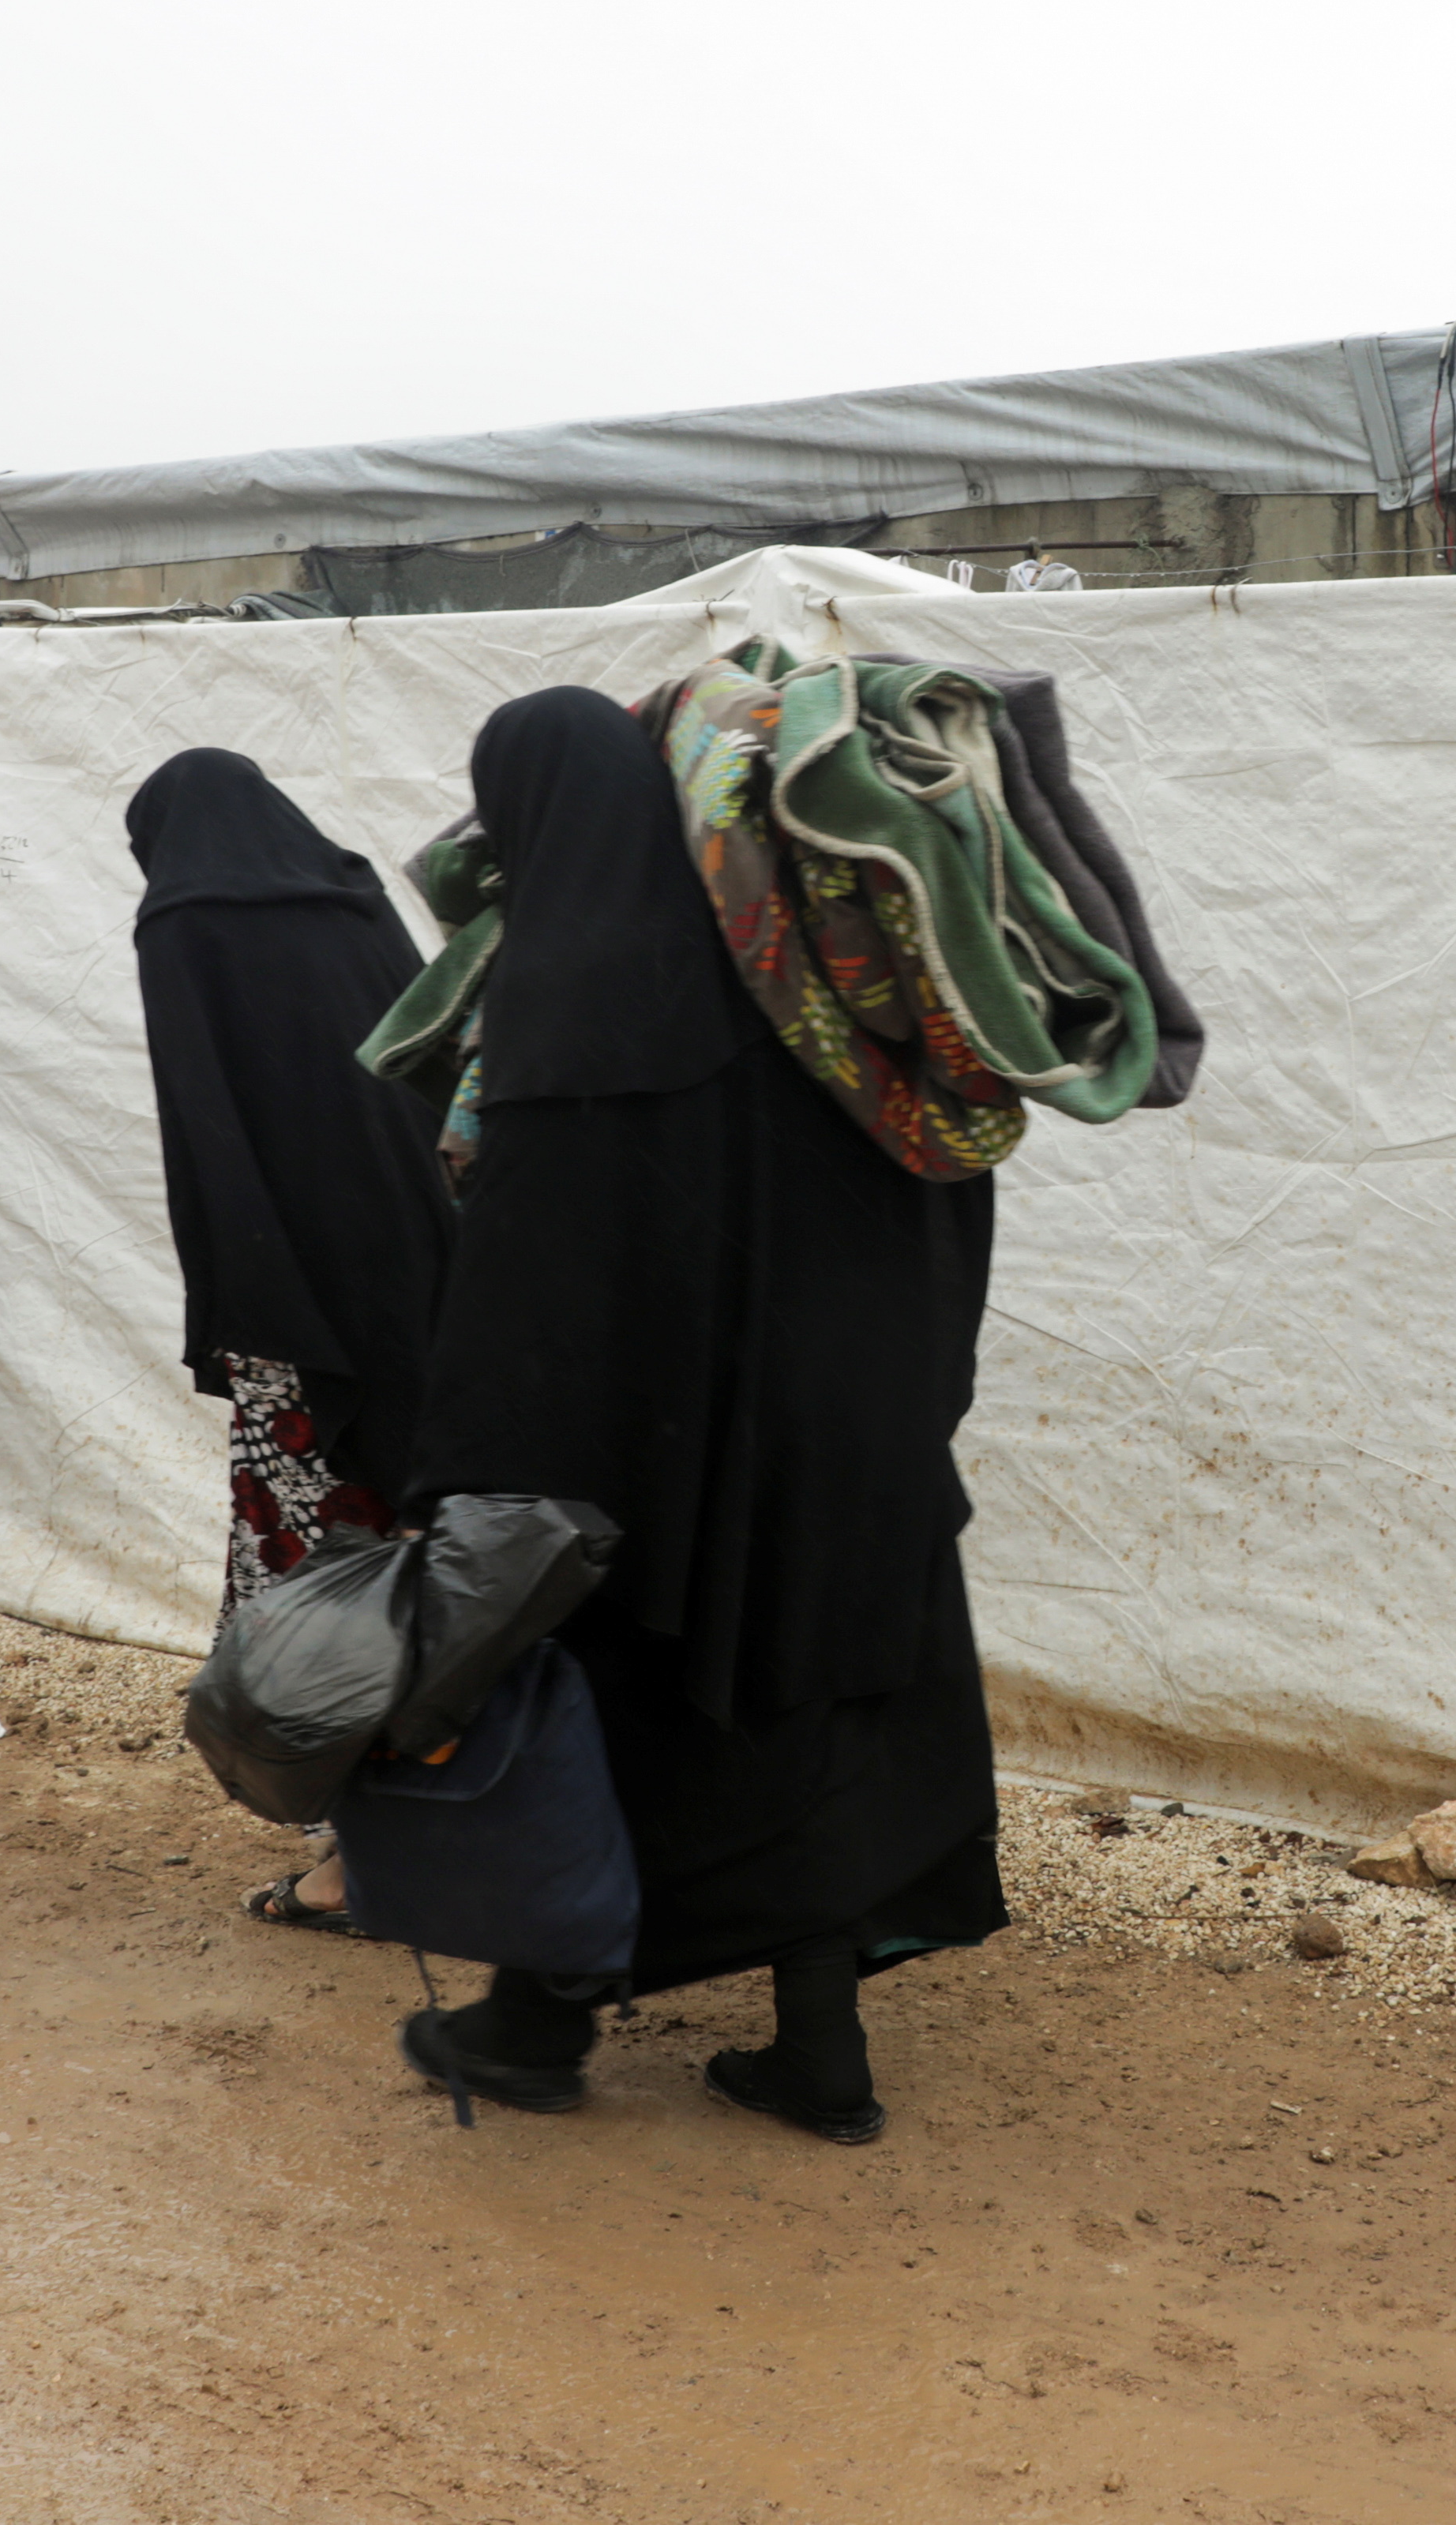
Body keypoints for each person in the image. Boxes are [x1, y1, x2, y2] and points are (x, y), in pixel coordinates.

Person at [392, 685, 1006, 2145]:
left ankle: (539, 2021)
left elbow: (527, 1280)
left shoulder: (564, 988)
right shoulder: (795, 986)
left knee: (598, 1709)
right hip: (845, 1450)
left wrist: (458, 1467)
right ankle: (821, 2050)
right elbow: (937, 1206)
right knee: (804, 1714)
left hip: (646, 1467)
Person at [122, 748, 458, 1936]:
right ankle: (453, 1818)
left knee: (320, 1594)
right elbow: (433, 1074)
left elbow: (207, 1132)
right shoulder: (356, 898)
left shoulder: (183, 922)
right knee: (437, 1563)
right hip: (429, 1276)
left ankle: (355, 1860)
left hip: (297, 1307)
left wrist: (238, 1320)